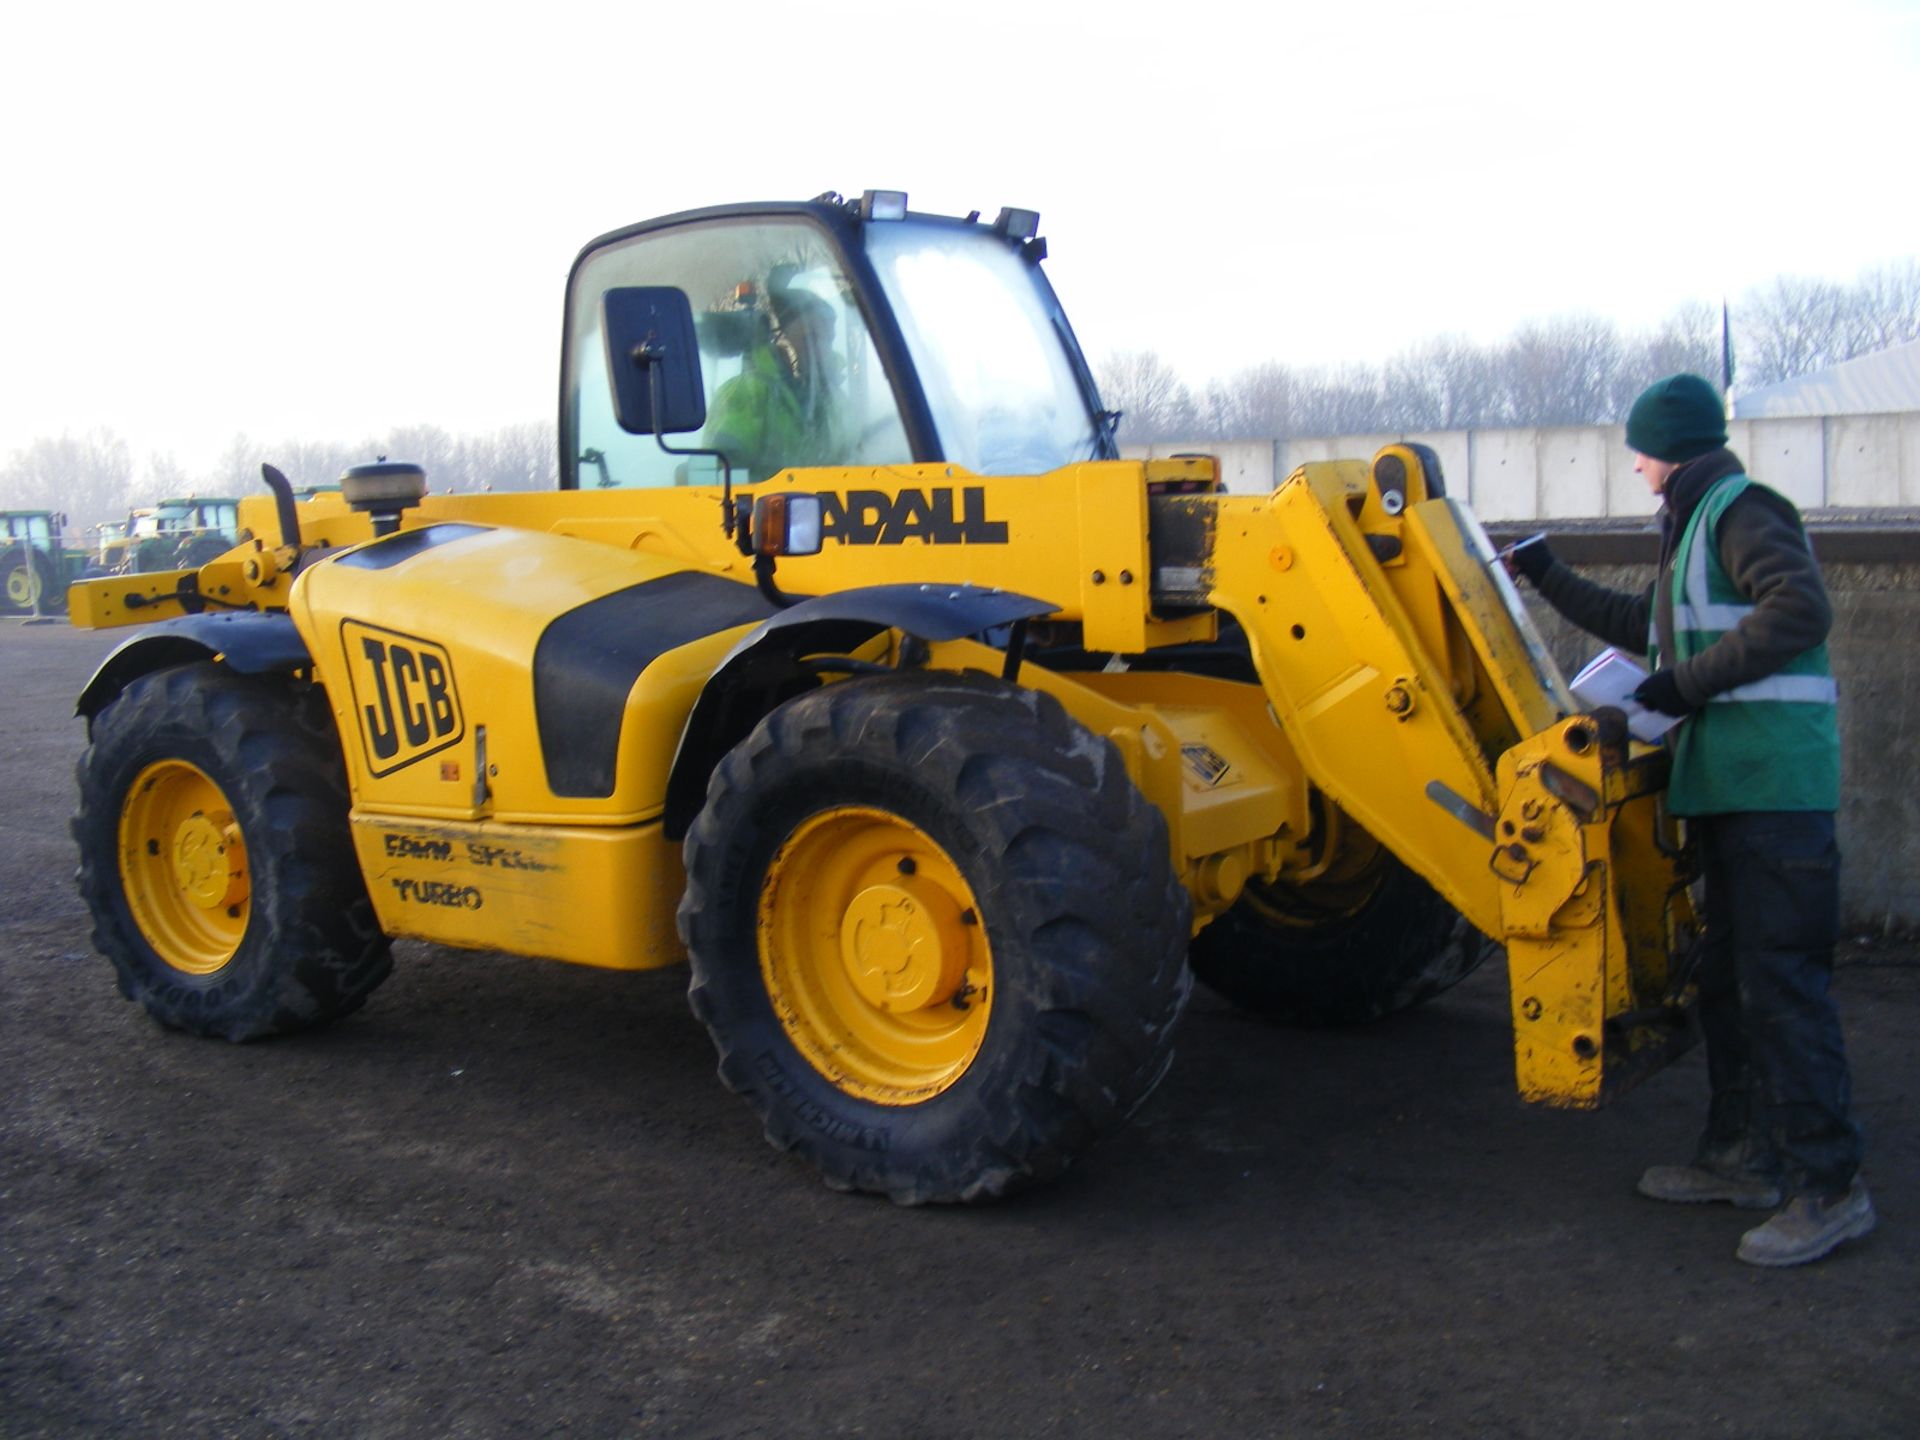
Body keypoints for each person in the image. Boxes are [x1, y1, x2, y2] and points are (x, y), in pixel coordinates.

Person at [1511, 373, 1872, 1267]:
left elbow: (1798, 610)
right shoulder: (1697, 524)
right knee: (1726, 981)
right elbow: (1655, 627)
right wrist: (1548, 576)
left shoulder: (1742, 511)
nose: (1634, 468)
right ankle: (1743, 1158)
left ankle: (1830, 1189)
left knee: (1782, 987)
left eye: (1639, 452)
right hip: (1732, 789)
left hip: (1774, 793)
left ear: (1668, 450)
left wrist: (1679, 687)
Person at [702, 273, 847, 484]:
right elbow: (714, 477)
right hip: (765, 513)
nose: (821, 348)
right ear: (783, 338)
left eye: (827, 338)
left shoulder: (832, 400)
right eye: (810, 337)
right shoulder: (746, 395)